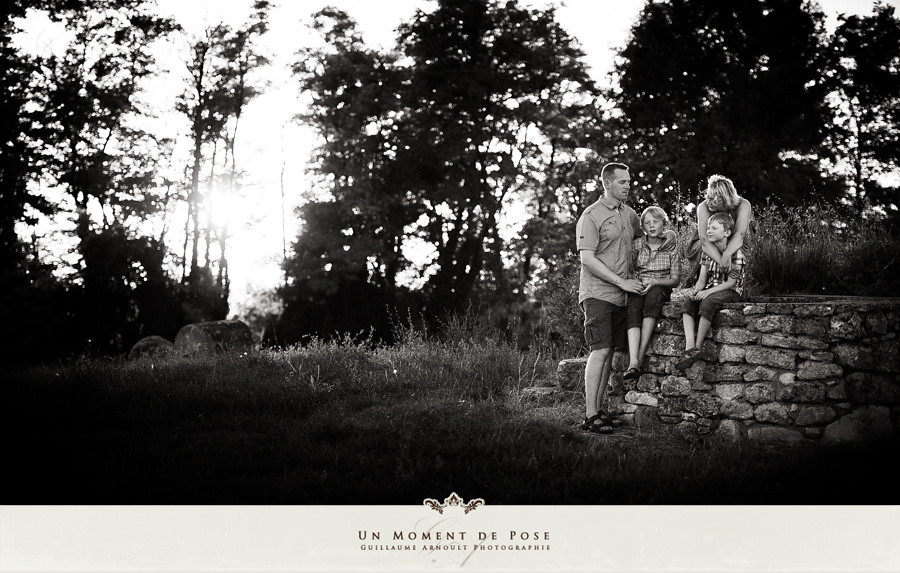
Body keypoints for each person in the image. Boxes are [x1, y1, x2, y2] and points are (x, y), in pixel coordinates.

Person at [575, 163, 675, 433]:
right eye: (622, 182)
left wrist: (672, 238)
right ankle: (590, 415)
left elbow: (652, 238)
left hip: (624, 297)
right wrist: (622, 282)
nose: (628, 185)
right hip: (598, 293)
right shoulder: (591, 216)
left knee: (609, 355)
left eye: (629, 181)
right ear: (607, 183)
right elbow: (587, 259)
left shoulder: (630, 215)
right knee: (600, 350)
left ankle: (599, 411)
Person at [675, 212, 746, 371]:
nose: (708, 231)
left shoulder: (736, 253)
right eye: (707, 228)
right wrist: (696, 291)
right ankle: (689, 347)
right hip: (711, 288)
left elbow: (731, 283)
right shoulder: (707, 252)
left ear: (726, 233)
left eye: (714, 228)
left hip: (730, 290)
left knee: (708, 302)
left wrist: (707, 293)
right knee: (688, 303)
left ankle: (698, 347)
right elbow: (702, 280)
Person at [622, 206, 681, 380]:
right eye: (647, 223)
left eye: (655, 222)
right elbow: (628, 268)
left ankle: (639, 358)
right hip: (641, 283)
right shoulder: (638, 244)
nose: (652, 226)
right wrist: (635, 281)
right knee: (633, 305)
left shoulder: (671, 247)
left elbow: (675, 279)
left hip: (660, 284)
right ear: (643, 227)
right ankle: (633, 362)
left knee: (653, 298)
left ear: (664, 223)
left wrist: (655, 282)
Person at [685, 174, 752, 283]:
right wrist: (723, 261)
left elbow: (739, 235)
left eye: (712, 199)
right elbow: (704, 240)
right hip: (706, 242)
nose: (708, 201)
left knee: (736, 248)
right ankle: (703, 279)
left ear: (725, 199)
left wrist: (727, 253)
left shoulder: (743, 204)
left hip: (732, 240)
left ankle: (736, 282)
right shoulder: (703, 207)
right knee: (709, 246)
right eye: (707, 197)